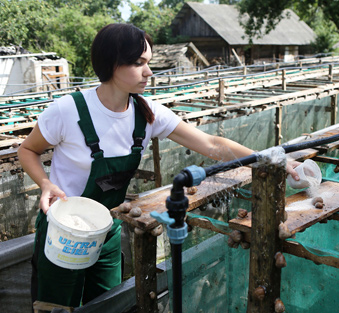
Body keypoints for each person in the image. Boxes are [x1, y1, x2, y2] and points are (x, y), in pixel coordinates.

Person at [18, 23, 299, 308]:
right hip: (63, 231)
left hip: (106, 230)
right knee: (56, 305)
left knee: (107, 304)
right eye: (138, 63)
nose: (148, 72)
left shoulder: (147, 113)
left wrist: (274, 159)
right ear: (112, 63)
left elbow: (213, 145)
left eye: (148, 63)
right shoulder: (68, 110)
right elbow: (28, 149)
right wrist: (45, 183)